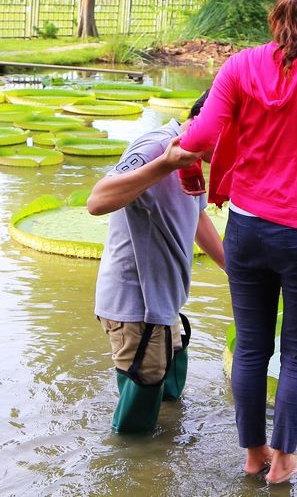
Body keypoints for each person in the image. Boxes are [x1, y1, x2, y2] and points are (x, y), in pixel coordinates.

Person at [178, 0, 297, 484]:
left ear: (276, 16)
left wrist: (180, 161)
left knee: (252, 348)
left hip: (249, 230)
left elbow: (199, 137)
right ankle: (283, 464)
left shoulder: (240, 66)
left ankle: (252, 455)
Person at [88, 92, 225, 433]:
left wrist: (233, 269)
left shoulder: (192, 160)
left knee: (170, 384)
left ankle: (164, 445)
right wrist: (166, 163)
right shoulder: (156, 145)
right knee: (142, 400)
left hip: (162, 302)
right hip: (135, 303)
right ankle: (135, 470)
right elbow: (97, 200)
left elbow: (197, 217)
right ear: (209, 124)